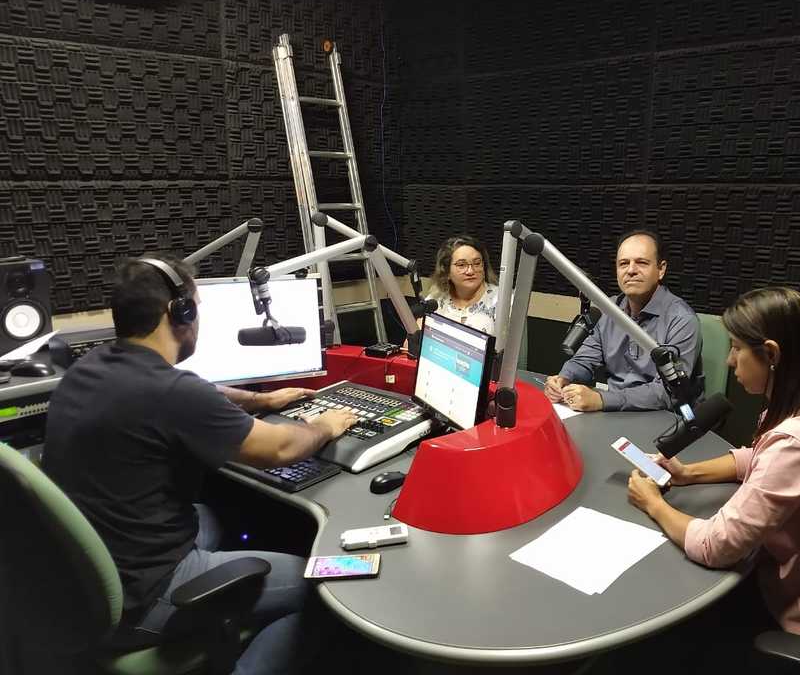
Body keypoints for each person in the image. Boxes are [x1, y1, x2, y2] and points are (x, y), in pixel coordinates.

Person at [42, 255, 358, 674]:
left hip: (83, 584)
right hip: (143, 596)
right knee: (323, 587)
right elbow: (281, 448)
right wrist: (324, 425)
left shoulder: (89, 368)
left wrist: (261, 400)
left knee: (216, 513)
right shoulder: (171, 393)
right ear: (180, 312)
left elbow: (198, 391)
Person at [626, 287, 800, 670]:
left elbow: (716, 545)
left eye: (737, 348)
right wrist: (688, 474)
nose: (730, 360)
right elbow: (758, 458)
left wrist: (652, 502)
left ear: (771, 354)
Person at [543, 229, 702, 412]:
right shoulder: (609, 309)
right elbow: (586, 358)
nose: (631, 270)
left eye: (641, 263)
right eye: (623, 263)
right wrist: (563, 378)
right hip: (615, 412)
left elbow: (667, 392)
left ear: (661, 269)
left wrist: (602, 399)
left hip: (664, 418)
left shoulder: (681, 320)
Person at [425, 234, 499, 334]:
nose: (470, 271)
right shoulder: (435, 299)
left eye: (477, 263)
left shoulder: (501, 302)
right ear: (446, 272)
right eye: (461, 265)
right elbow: (410, 342)